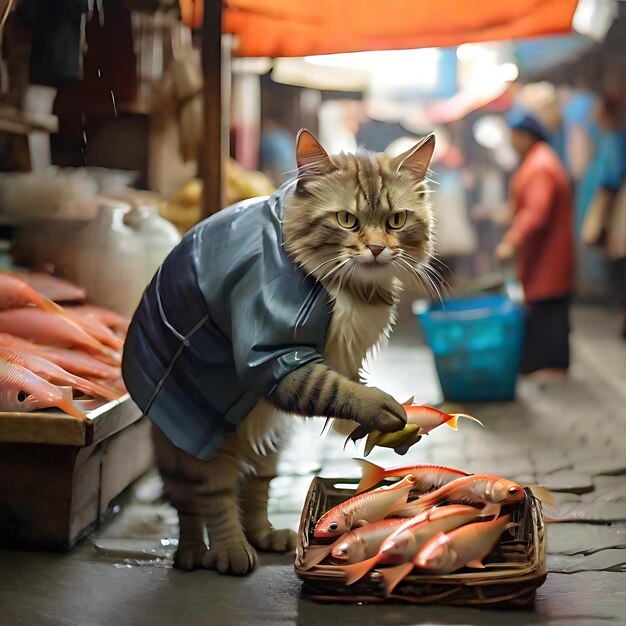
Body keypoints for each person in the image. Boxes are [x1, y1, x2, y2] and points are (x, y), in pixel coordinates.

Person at [496, 111, 574, 381]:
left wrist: (512, 241)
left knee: (547, 307)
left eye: (514, 136)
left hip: (547, 255)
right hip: (543, 254)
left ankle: (552, 366)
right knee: (544, 306)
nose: (511, 141)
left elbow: (536, 212)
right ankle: (546, 364)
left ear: (526, 136)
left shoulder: (540, 165)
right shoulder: (538, 160)